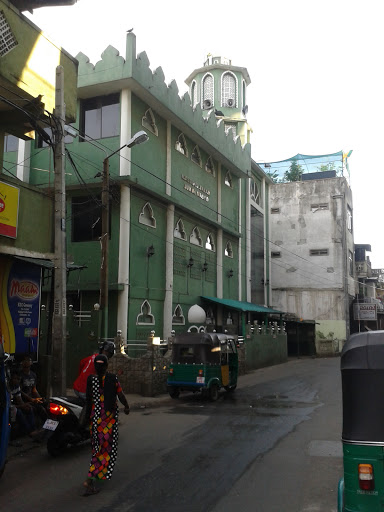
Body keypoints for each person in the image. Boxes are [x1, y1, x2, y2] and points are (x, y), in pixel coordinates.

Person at [81, 354, 129, 496]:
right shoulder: (112, 378)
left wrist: (85, 420)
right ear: (107, 366)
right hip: (107, 421)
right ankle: (89, 481)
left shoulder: (91, 379)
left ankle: (97, 475)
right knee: (103, 451)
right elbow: (120, 394)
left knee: (98, 449)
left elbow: (88, 400)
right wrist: (126, 406)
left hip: (95, 419)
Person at [19, 355, 47, 424]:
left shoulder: (33, 375)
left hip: (32, 399)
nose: (27, 362)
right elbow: (19, 391)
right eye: (25, 360)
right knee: (37, 409)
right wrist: (31, 399)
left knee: (46, 405)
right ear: (22, 363)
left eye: (29, 360)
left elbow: (34, 390)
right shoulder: (20, 375)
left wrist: (40, 398)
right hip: (24, 400)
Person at [9, 370, 38, 437]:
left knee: (29, 408)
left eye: (18, 379)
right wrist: (21, 406)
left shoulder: (16, 386)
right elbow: (8, 405)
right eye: (15, 378)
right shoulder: (6, 387)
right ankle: (29, 431)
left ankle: (33, 430)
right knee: (18, 412)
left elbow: (19, 400)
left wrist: (25, 405)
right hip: (7, 407)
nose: (16, 381)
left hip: (14, 406)